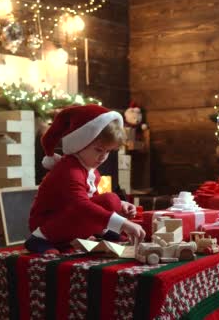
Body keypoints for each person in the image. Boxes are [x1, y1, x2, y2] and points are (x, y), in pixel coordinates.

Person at [26, 104, 146, 254]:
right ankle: (39, 239)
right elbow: (81, 206)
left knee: (111, 200)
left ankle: (99, 231)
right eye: (98, 150)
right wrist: (122, 224)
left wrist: (121, 205)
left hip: (69, 216)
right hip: (47, 223)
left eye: (108, 151)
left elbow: (92, 199)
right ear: (80, 144)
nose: (103, 157)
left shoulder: (89, 169)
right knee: (98, 205)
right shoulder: (69, 170)